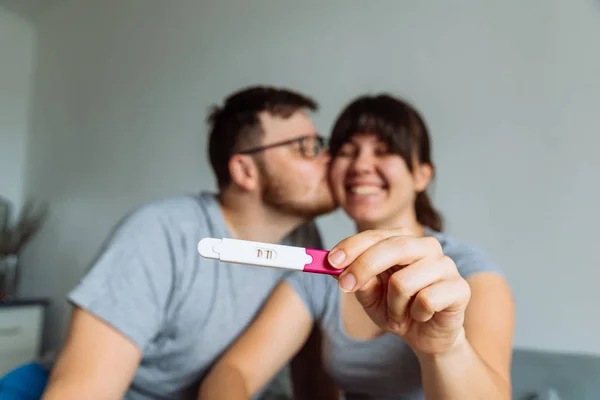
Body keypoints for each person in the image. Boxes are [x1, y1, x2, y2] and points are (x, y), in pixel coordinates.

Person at [198, 94, 515, 399]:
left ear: (421, 175)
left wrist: (445, 349)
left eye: (385, 150)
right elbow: (233, 372)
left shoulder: (467, 272)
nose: (361, 165)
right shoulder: (320, 272)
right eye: (348, 151)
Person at [41, 86, 338, 400]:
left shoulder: (305, 242)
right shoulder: (160, 234)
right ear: (245, 171)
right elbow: (82, 390)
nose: (328, 159)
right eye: (305, 147)